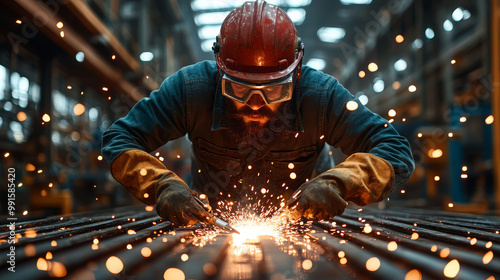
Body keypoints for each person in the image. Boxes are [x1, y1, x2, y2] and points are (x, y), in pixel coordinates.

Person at [101, 0, 414, 227]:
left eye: (273, 92)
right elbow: (120, 138)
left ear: (297, 74)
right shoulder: (191, 89)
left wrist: (338, 183)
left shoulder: (321, 96)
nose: (255, 105)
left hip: (307, 224)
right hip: (212, 225)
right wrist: (162, 186)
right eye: (239, 90)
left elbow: (395, 150)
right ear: (220, 71)